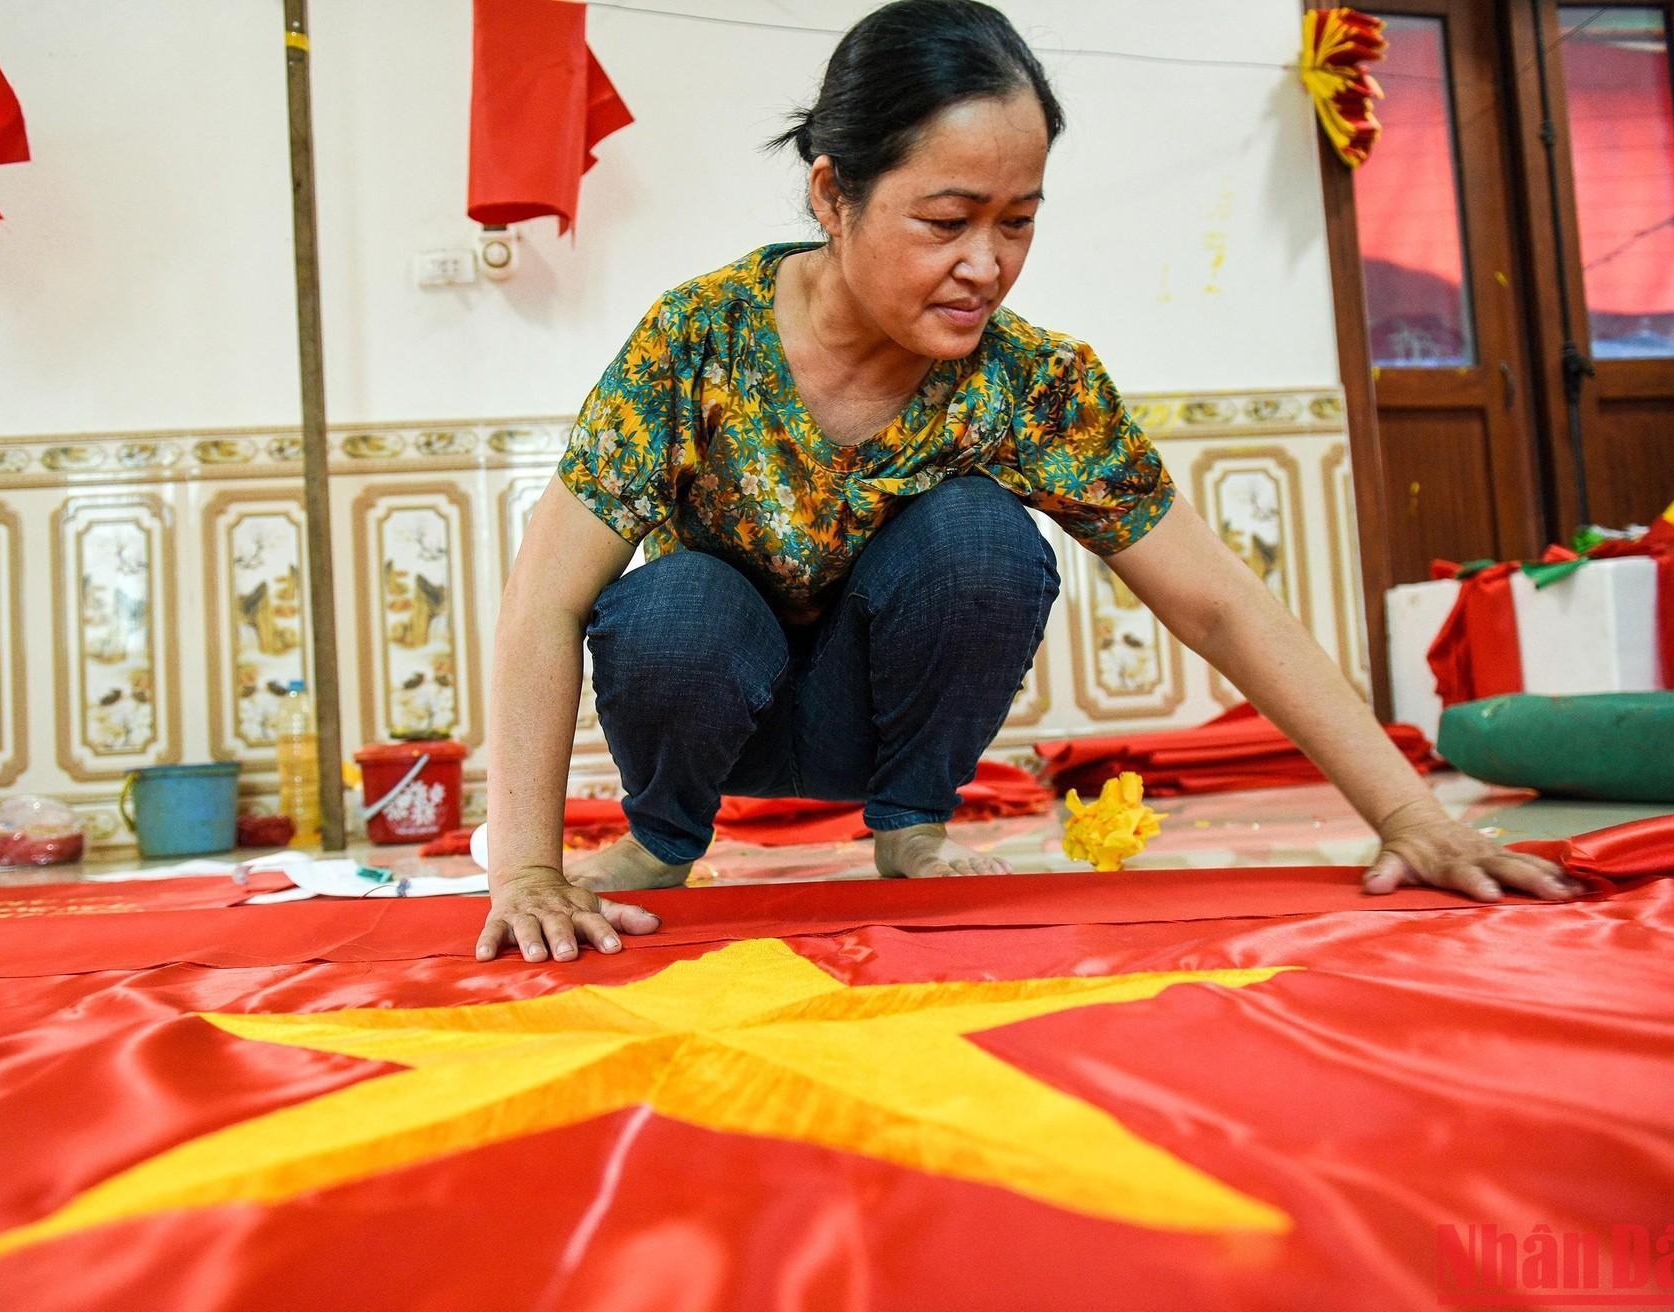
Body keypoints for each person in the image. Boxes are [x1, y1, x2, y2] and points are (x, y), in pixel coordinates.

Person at [476, 0, 1577, 965]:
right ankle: (662, 837)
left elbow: (1216, 599)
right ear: (831, 193)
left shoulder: (1031, 383)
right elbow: (543, 602)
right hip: (721, 708)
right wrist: (524, 869)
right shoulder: (699, 337)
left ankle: (909, 827)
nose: (985, 264)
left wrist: (1404, 811)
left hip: (880, 718)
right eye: (946, 221)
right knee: (673, 599)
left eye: (1019, 222)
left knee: (978, 536)